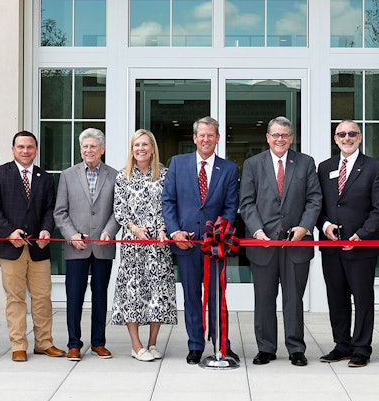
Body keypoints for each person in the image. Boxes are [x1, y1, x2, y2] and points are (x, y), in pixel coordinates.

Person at [238, 116, 321, 367]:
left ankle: (296, 348)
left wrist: (304, 227)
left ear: (291, 137)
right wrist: (256, 230)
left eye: (284, 135)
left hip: (296, 243)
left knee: (294, 299)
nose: (280, 139)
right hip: (263, 243)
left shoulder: (305, 163)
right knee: (264, 298)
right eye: (275, 135)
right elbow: (247, 202)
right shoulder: (253, 164)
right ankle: (266, 348)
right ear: (268, 137)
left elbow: (314, 199)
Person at [161, 116, 240, 365]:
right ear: (194, 138)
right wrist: (175, 232)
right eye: (201, 135)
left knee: (217, 297)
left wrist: (219, 233)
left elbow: (230, 207)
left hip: (215, 245)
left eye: (211, 135)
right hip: (186, 244)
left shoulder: (228, 169)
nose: (206, 139)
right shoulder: (178, 164)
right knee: (192, 296)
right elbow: (168, 202)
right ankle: (195, 345)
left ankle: (221, 344)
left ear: (217, 139)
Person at [0, 131, 66, 362]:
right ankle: (18, 344)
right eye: (21, 147)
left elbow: (50, 209)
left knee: (42, 297)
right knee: (16, 298)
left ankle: (44, 343)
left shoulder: (45, 177)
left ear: (35, 149)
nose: (25, 151)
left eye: (30, 147)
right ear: (13, 149)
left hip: (39, 248)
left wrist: (47, 230)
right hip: (11, 248)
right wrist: (9, 232)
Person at [316, 120, 379, 368]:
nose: (347, 138)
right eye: (341, 134)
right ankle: (342, 345)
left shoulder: (374, 167)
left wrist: (361, 235)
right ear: (335, 138)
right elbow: (318, 205)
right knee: (336, 298)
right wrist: (326, 227)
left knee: (362, 299)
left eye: (351, 134)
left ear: (359, 137)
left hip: (362, 245)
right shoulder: (324, 167)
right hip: (331, 246)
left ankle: (361, 348)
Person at [109, 129, 176, 361]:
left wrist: (164, 229)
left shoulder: (166, 175)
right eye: (136, 145)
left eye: (145, 144)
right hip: (133, 243)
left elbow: (170, 206)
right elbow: (119, 208)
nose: (140, 149)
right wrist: (134, 227)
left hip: (159, 244)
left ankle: (153, 343)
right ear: (132, 149)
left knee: (158, 291)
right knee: (133, 292)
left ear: (153, 148)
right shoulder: (122, 176)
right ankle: (136, 345)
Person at [54, 128, 119, 361]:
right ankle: (74, 343)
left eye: (93, 146)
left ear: (102, 149)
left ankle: (98, 343)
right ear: (80, 149)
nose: (88, 150)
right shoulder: (68, 175)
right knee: (74, 296)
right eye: (85, 147)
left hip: (103, 245)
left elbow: (118, 211)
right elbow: (60, 212)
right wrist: (71, 234)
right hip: (76, 246)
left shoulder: (114, 175)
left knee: (100, 295)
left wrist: (108, 232)